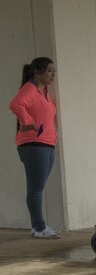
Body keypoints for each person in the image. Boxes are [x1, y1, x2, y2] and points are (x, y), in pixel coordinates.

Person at [10, 57, 60, 239]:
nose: (53, 74)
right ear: (37, 72)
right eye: (49, 70)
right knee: (35, 189)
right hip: (33, 145)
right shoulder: (30, 89)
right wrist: (28, 122)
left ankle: (39, 226)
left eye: (54, 71)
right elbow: (16, 104)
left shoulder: (43, 92)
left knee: (38, 187)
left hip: (46, 145)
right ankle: (38, 228)